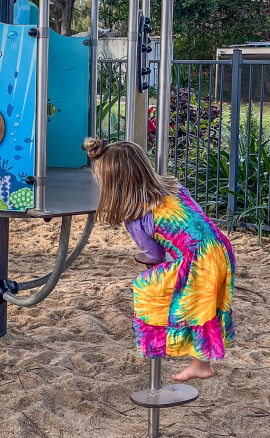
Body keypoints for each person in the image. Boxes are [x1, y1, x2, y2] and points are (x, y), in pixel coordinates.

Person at [83, 138, 234, 381]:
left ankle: (156, 345)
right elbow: (197, 217)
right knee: (204, 306)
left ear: (114, 184)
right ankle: (201, 365)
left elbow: (154, 255)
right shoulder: (175, 188)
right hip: (220, 248)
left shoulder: (137, 216)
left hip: (197, 260)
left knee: (145, 286)